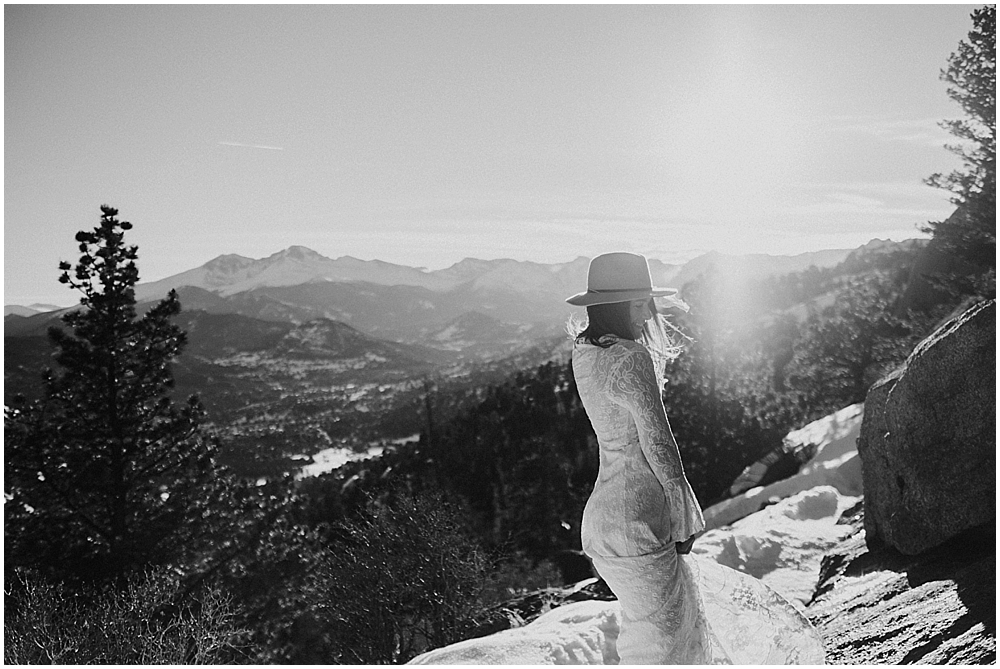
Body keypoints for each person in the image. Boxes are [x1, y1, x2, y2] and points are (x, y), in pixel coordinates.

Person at [567, 252, 825, 665]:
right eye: (639, 303)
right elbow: (658, 441)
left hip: (601, 521)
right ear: (619, 306)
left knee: (646, 637)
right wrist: (684, 511)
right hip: (638, 521)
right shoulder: (630, 357)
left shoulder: (584, 351)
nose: (646, 314)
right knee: (666, 646)